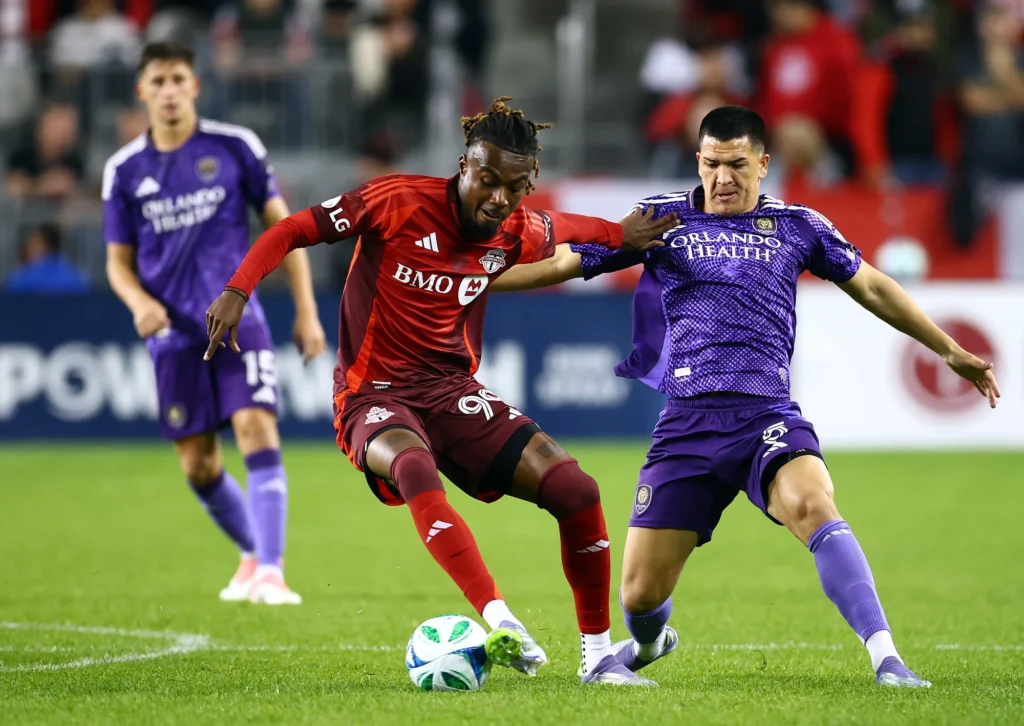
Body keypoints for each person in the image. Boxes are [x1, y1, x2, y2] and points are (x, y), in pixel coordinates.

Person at [489, 105, 1001, 688]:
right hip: (686, 424)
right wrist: (472, 276)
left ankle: (888, 659)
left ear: (762, 164)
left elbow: (874, 285)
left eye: (736, 165)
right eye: (711, 164)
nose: (722, 178)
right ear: (698, 161)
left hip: (766, 415)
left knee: (814, 505)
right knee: (638, 595)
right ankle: (651, 643)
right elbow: (566, 261)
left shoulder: (798, 225)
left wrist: (948, 349)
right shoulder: (661, 219)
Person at [205, 97, 677, 685]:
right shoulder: (395, 200)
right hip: (372, 393)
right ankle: (499, 617)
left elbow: (575, 230)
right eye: (487, 179)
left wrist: (623, 235)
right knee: (414, 467)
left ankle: (598, 657)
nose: (499, 198)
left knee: (575, 489)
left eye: (515, 187)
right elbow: (292, 228)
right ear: (463, 165)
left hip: (451, 391)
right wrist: (238, 288)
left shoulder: (515, 228)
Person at [102, 42, 327, 605]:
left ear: (195, 85)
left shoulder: (235, 147)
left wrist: (306, 310)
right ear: (142, 92)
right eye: (158, 81)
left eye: (179, 78)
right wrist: (138, 304)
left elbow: (287, 230)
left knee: (255, 427)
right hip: (172, 334)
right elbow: (117, 263)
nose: (170, 90)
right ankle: (253, 556)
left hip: (235, 318)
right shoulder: (124, 171)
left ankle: (272, 571)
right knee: (199, 466)